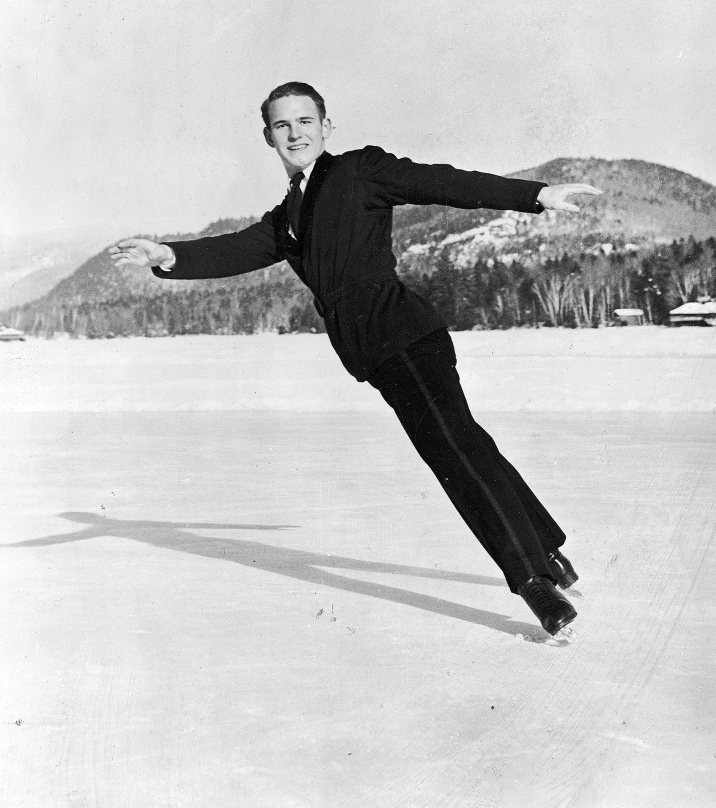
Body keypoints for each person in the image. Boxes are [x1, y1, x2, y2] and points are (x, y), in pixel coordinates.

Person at [110, 81, 602, 638]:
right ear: (268, 135)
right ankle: (548, 551)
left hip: (406, 336)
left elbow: (440, 182)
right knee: (463, 441)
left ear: (326, 127)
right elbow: (237, 248)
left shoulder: (357, 171)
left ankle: (532, 579)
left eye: (304, 121)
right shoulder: (290, 212)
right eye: (281, 125)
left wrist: (534, 194)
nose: (295, 133)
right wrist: (169, 255)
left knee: (453, 451)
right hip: (377, 351)